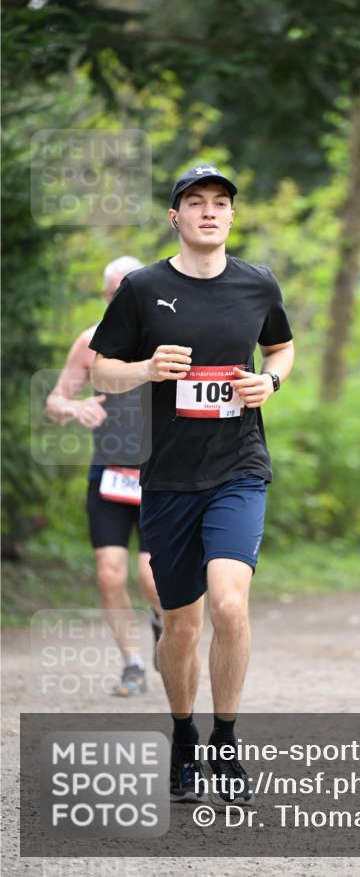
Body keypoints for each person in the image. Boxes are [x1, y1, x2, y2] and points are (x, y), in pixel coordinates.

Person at [89, 165, 294, 806]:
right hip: (170, 478)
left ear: (232, 216)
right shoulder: (143, 289)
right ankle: (183, 736)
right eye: (195, 202)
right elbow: (100, 369)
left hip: (239, 467)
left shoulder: (257, 284)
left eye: (221, 203)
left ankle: (225, 740)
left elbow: (282, 348)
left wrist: (272, 381)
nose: (209, 211)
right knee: (181, 626)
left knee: (230, 604)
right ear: (175, 217)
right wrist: (147, 368)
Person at [46, 256, 164, 697]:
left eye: (130, 289)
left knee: (151, 577)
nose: (123, 298)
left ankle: (162, 626)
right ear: (105, 296)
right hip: (110, 474)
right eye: (115, 292)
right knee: (109, 575)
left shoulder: (165, 339)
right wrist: (75, 407)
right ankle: (132, 663)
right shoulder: (91, 341)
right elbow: (56, 401)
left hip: (160, 475)